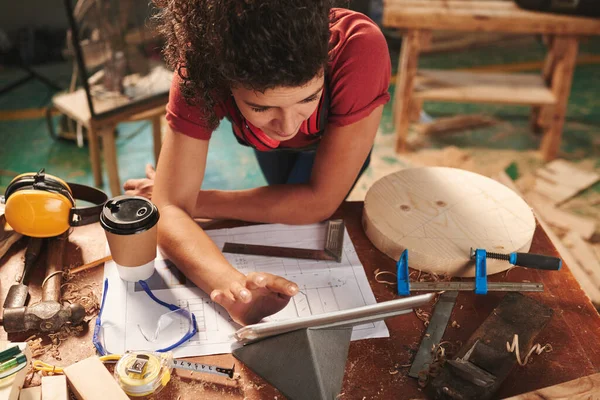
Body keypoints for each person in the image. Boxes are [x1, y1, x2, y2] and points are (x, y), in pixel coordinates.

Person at [123, 0, 391, 326]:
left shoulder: (359, 48)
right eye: (261, 107)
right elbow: (168, 211)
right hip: (262, 140)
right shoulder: (202, 63)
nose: (289, 127)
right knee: (282, 200)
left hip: (340, 137)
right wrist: (232, 288)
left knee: (303, 209)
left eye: (309, 97)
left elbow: (318, 202)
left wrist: (192, 200)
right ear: (223, 80)